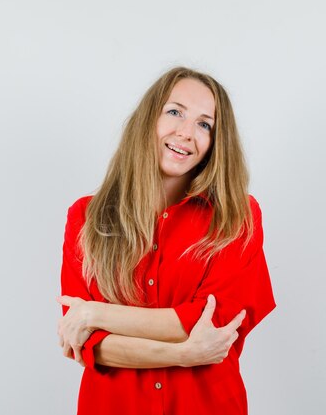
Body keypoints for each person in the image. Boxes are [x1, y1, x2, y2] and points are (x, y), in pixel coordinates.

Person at [56, 66, 276, 415]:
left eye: (205, 124)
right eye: (175, 112)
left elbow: (210, 323)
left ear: (216, 142)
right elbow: (89, 345)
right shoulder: (87, 217)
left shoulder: (237, 216)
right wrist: (182, 354)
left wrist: (95, 312)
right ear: (148, 119)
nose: (186, 133)